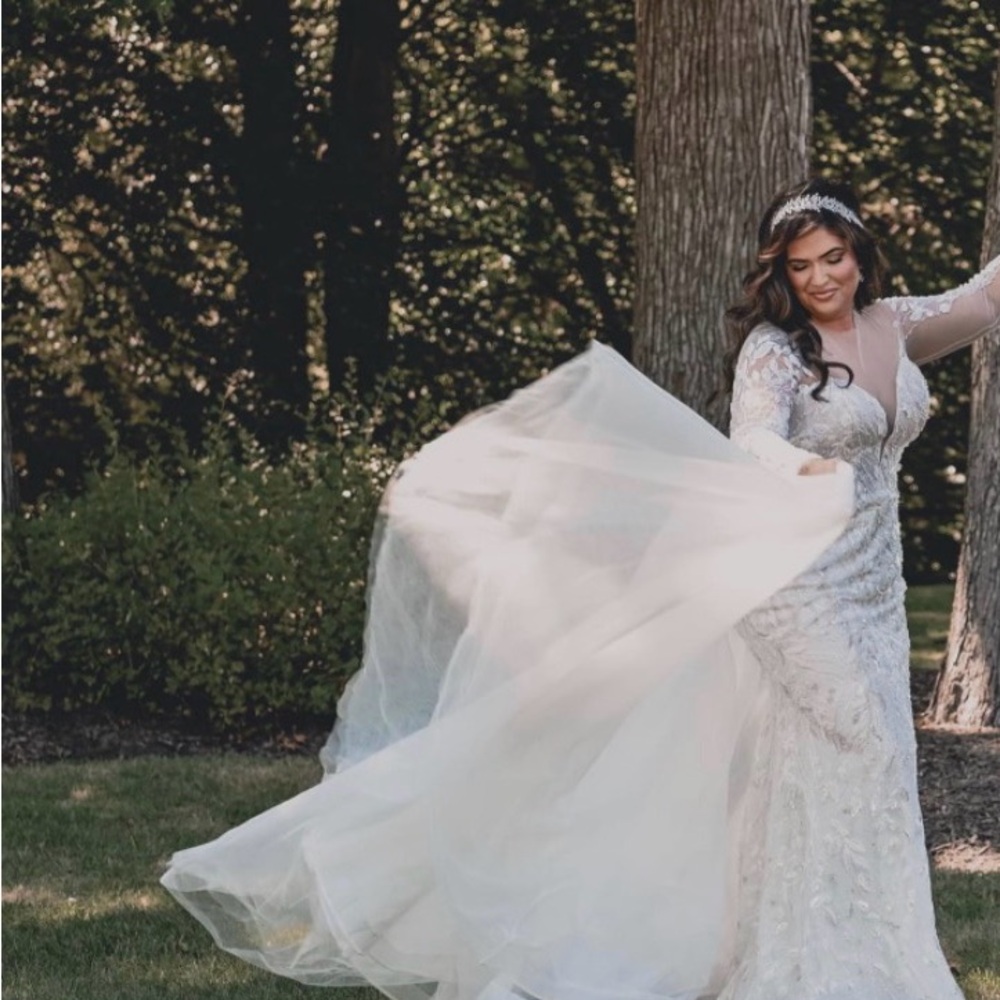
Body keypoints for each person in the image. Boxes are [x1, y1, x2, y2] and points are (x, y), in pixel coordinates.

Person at [161, 179, 999, 1000]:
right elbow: (751, 441)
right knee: (866, 739)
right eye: (802, 265)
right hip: (792, 579)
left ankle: (831, 950)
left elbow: (984, 298)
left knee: (846, 761)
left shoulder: (895, 327)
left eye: (834, 258)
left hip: (877, 591)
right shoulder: (775, 351)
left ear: (860, 255)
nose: (820, 277)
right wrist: (807, 464)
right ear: (780, 274)